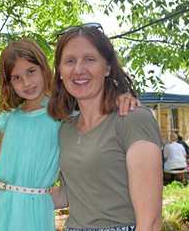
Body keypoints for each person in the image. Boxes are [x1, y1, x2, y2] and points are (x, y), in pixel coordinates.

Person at [0, 39, 138, 231]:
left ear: (44, 69)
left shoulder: (62, 115)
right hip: (0, 207)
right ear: (9, 83)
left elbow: (97, 111)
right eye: (16, 78)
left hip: (34, 211)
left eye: (31, 71)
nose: (26, 82)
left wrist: (121, 97)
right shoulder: (9, 119)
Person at [48, 23, 163, 231]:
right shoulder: (65, 129)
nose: (78, 69)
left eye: (89, 59)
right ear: (60, 72)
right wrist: (9, 194)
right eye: (69, 61)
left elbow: (150, 222)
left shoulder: (132, 119)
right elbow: (67, 194)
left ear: (108, 67)